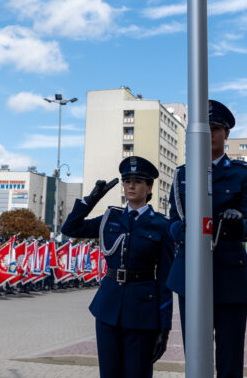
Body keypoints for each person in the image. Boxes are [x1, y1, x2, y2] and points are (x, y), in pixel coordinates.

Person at [167, 99, 247, 378]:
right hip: (190, 273)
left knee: (230, 357)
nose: (209, 133)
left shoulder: (242, 173)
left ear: (226, 134)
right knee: (195, 356)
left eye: (215, 127)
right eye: (204, 128)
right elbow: (173, 222)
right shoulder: (183, 174)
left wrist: (240, 225)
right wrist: (183, 232)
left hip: (229, 274)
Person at [62, 156, 173, 378]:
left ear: (149, 187)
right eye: (127, 181)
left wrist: (164, 327)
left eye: (138, 181)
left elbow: (164, 279)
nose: (131, 185)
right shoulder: (109, 218)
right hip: (108, 307)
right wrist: (90, 200)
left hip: (142, 311)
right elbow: (71, 228)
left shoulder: (162, 225)